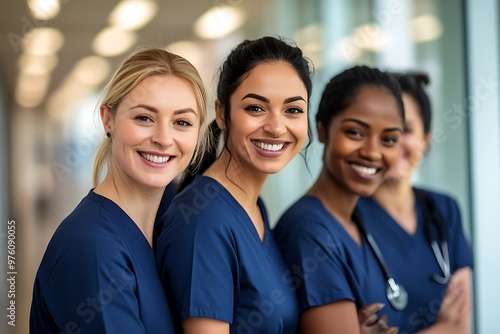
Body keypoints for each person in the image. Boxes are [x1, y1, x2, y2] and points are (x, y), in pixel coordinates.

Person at [30, 47, 208, 333]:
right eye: (144, 118)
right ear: (108, 119)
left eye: (182, 122)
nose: (163, 138)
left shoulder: (164, 232)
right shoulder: (94, 247)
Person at [155, 36, 313, 334]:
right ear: (222, 113)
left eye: (292, 110)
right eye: (256, 108)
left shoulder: (253, 207)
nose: (276, 127)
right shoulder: (202, 222)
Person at [274, 65, 405, 334]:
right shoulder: (308, 231)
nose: (372, 152)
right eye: (355, 133)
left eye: (389, 139)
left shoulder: (360, 218)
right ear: (322, 130)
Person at [356, 72, 473, 334]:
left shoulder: (444, 211)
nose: (394, 140)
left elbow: (460, 326)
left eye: (406, 129)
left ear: (426, 138)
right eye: (384, 130)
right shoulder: (346, 217)